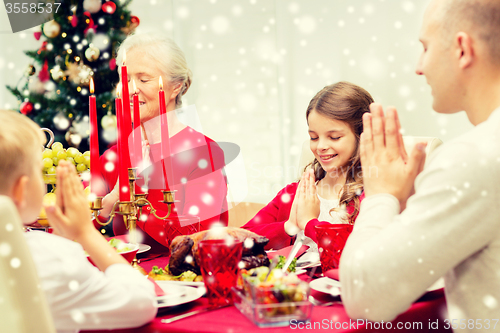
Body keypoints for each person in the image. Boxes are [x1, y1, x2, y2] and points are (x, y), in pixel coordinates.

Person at [340, 0, 500, 324]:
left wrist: (382, 193)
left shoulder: (474, 157)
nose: (419, 66)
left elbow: (365, 297)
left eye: (425, 48)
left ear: (462, 49)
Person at [0, 110, 157, 332]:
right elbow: (141, 301)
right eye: (39, 169)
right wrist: (86, 233)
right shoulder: (47, 256)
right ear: (21, 189)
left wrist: (63, 239)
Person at [97, 32, 228, 252]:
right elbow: (75, 226)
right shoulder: (114, 155)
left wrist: (136, 193)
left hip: (181, 281)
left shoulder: (203, 153)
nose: (130, 89)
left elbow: (196, 242)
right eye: (126, 79)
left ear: (175, 87)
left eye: (143, 79)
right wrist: (112, 199)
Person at [242, 82, 370, 250]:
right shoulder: (297, 193)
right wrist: (288, 227)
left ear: (362, 136)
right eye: (314, 137)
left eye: (334, 137)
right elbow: (241, 238)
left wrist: (310, 223)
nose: (320, 146)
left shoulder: (372, 196)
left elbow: (360, 253)